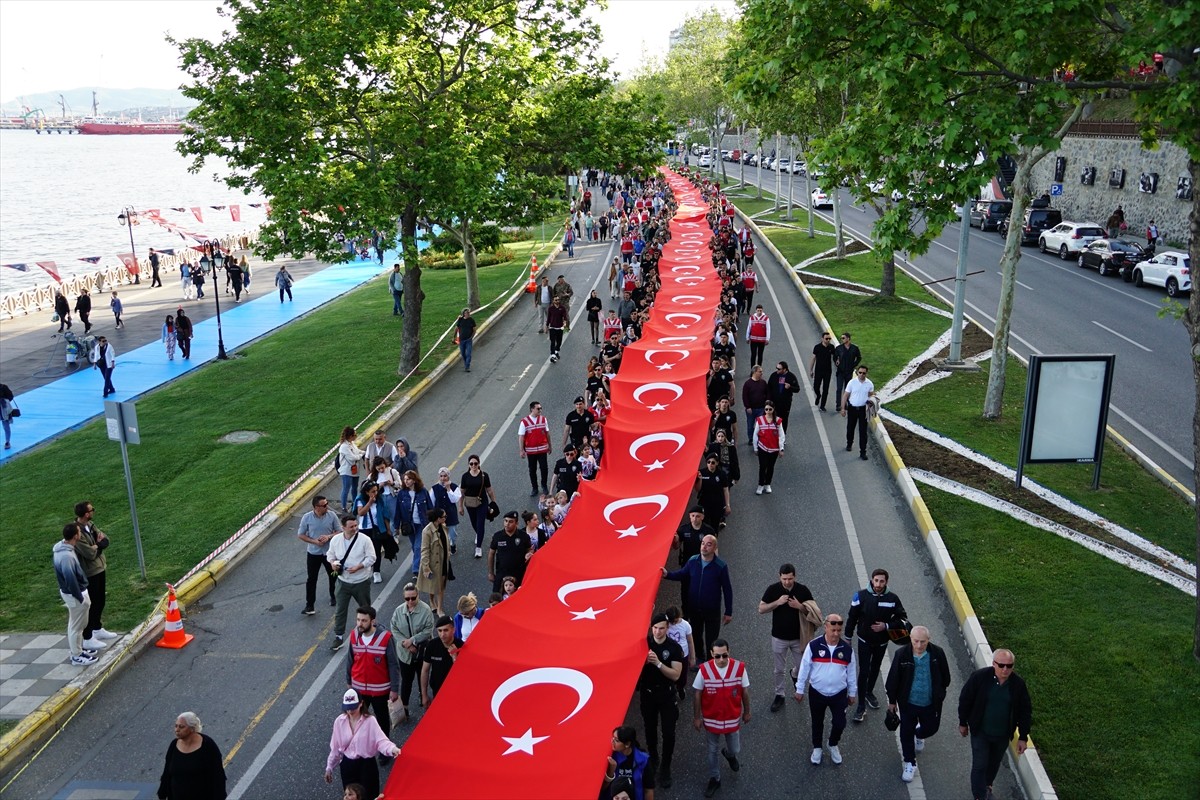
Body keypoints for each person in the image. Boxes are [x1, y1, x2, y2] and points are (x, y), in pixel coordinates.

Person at [958, 649, 1033, 800]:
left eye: (1009, 666)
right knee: (980, 764)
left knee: (993, 764)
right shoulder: (979, 677)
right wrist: (963, 722)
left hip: (1002, 735)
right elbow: (965, 700)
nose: (1005, 669)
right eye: (1001, 665)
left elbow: (1025, 711)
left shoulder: (1018, 685)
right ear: (993, 664)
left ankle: (987, 785)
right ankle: (980, 796)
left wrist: (1023, 737)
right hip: (980, 732)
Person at [886, 625, 952, 783]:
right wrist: (892, 701)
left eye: (923, 641)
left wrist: (940, 693)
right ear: (910, 638)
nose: (919, 645)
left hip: (930, 703)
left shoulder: (937, 653)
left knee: (931, 728)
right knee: (906, 732)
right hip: (908, 703)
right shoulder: (902, 654)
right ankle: (909, 762)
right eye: (916, 641)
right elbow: (893, 679)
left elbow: (946, 677)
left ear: (929, 640)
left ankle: (920, 734)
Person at [846, 567, 907, 722]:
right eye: (876, 580)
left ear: (886, 582)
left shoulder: (893, 599)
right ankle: (861, 707)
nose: (878, 584)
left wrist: (886, 626)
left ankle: (869, 692)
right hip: (864, 641)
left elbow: (902, 618)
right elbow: (852, 617)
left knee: (875, 669)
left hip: (881, 643)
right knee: (864, 671)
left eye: (882, 581)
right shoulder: (860, 596)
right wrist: (847, 637)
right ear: (872, 580)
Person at [795, 613, 857, 766]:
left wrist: (852, 692)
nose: (836, 634)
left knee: (840, 723)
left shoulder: (847, 650)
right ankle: (817, 748)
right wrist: (799, 688)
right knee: (817, 722)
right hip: (817, 693)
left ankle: (832, 743)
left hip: (839, 694)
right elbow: (804, 667)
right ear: (826, 627)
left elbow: (851, 673)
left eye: (839, 631)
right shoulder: (814, 646)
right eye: (833, 630)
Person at [662, 535, 733, 666]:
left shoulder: (721, 566)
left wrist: (728, 611)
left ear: (715, 548)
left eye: (709, 544)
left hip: (712, 610)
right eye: (703, 543)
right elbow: (682, 574)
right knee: (696, 634)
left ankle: (711, 663)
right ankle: (699, 657)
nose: (704, 547)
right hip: (694, 608)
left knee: (711, 638)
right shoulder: (693, 561)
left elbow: (727, 589)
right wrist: (667, 575)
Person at [693, 639, 751, 797]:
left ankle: (729, 754)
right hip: (712, 719)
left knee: (735, 748)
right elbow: (697, 693)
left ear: (729, 652)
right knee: (712, 750)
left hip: (732, 718)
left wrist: (747, 711)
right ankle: (715, 778)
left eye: (724, 655)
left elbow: (744, 691)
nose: (721, 660)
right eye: (717, 656)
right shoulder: (704, 670)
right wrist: (697, 717)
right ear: (711, 654)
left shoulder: (739, 668)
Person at [758, 563, 817, 713]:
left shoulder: (803, 590)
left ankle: (794, 674)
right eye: (784, 579)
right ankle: (780, 694)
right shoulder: (773, 589)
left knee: (803, 666)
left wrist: (800, 606)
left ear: (795, 577)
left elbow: (814, 612)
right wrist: (777, 602)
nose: (787, 582)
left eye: (790, 579)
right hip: (779, 637)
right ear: (779, 577)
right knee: (779, 669)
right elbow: (761, 609)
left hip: (799, 638)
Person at [324, 689, 399, 800]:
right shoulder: (339, 722)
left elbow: (381, 741)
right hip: (348, 766)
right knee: (351, 797)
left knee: (370, 795)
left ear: (361, 704)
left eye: (353, 707)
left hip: (366, 766)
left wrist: (392, 749)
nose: (350, 711)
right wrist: (329, 767)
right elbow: (335, 748)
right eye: (348, 708)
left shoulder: (370, 721)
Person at [638, 613, 684, 789]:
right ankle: (653, 758)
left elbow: (676, 675)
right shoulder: (643, 645)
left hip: (666, 695)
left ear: (667, 628)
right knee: (650, 729)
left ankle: (666, 766)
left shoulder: (673, 647)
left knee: (669, 733)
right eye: (655, 628)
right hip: (648, 694)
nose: (657, 632)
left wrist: (658, 663)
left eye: (661, 628)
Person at [345, 605, 400, 746]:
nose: (360, 624)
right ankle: (361, 746)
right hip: (359, 689)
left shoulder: (385, 638)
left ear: (373, 621)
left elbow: (393, 665)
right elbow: (350, 659)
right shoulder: (354, 635)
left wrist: (394, 689)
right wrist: (349, 682)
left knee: (382, 720)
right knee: (358, 719)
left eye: (364, 621)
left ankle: (384, 747)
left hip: (379, 691)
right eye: (358, 620)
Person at [326, 515, 375, 651]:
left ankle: (369, 632)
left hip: (361, 581)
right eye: (351, 526)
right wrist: (333, 563)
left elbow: (372, 558)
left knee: (365, 610)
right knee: (340, 610)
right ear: (343, 528)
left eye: (356, 525)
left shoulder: (365, 540)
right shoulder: (336, 540)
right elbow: (330, 555)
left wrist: (359, 567)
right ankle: (339, 636)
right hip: (343, 582)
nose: (355, 528)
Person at [389, 582, 435, 724]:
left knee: (423, 676)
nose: (410, 601)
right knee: (406, 681)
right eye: (407, 598)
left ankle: (423, 695)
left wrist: (413, 640)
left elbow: (428, 629)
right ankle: (405, 707)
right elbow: (394, 628)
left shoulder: (425, 610)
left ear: (418, 596)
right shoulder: (398, 611)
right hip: (405, 654)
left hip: (421, 652)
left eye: (413, 598)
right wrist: (406, 643)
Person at [157, 712, 227, 800]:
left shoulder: (207, 746)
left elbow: (218, 776)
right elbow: (167, 772)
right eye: (176, 726)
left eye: (181, 727)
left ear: (192, 729)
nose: (177, 730)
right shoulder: (174, 745)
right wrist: (162, 794)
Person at [74, 501, 114, 650]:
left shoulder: (90, 525)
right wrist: (98, 545)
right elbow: (89, 554)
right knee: (90, 605)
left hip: (100, 568)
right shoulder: (77, 532)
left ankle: (97, 628)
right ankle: (88, 637)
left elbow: (105, 540)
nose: (93, 512)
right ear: (86, 514)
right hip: (90, 572)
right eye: (92, 510)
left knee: (100, 601)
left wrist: (97, 545)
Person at [54, 524, 95, 666]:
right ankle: (76, 655)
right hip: (75, 595)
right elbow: (70, 579)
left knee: (78, 624)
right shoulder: (66, 557)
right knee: (76, 626)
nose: (80, 533)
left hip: (74, 593)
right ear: (75, 536)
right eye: (79, 532)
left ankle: (78, 649)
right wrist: (81, 598)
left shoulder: (63, 549)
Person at [298, 495, 341, 615]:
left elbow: (339, 531)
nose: (327, 507)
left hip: (329, 553)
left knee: (333, 575)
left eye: (327, 504)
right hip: (313, 553)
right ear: (316, 507)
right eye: (324, 505)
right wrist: (315, 542)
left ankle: (333, 596)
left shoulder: (332, 515)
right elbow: (301, 534)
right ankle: (310, 605)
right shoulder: (307, 518)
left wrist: (328, 537)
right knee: (311, 579)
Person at [395, 470, 434, 579]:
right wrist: (396, 527)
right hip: (409, 525)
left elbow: (430, 507)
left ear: (414, 480)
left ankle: (416, 570)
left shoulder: (423, 491)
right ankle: (423, 562)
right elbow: (398, 511)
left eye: (408, 479)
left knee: (418, 547)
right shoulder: (402, 494)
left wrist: (433, 522)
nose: (406, 481)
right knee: (414, 546)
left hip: (422, 524)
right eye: (405, 479)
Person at [458, 455, 496, 559]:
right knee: (474, 522)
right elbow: (462, 493)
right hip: (470, 503)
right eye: (471, 464)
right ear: (468, 465)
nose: (473, 465)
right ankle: (479, 534)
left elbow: (489, 490)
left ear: (479, 464)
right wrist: (460, 506)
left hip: (482, 502)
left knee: (480, 523)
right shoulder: (465, 476)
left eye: (475, 463)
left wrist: (493, 502)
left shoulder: (484, 475)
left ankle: (478, 548)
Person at [419, 615, 463, 706]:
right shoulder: (432, 645)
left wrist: (455, 657)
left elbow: (464, 675)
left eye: (446, 630)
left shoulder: (461, 646)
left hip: (457, 692)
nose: (442, 635)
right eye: (439, 631)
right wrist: (424, 695)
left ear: (453, 630)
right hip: (437, 691)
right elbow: (425, 670)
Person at [603, 726, 655, 800]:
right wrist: (610, 772)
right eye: (613, 738)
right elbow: (602, 789)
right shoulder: (609, 757)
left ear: (627, 744)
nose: (612, 741)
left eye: (616, 740)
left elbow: (648, 789)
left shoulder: (643, 760)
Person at [487, 511, 532, 593]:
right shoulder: (497, 536)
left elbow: (529, 549)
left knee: (520, 595)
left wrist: (528, 554)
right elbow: (491, 553)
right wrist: (491, 573)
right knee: (497, 596)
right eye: (505, 521)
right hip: (502, 573)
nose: (507, 524)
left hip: (519, 573)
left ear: (516, 523)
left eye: (510, 522)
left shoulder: (524, 536)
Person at [417, 508, 452, 613]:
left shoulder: (443, 527)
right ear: (438, 518)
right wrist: (426, 567)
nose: (446, 518)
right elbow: (424, 550)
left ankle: (439, 608)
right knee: (433, 585)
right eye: (444, 516)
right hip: (433, 563)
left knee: (441, 586)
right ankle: (432, 601)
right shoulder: (427, 531)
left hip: (443, 561)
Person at [841, 364, 875, 461]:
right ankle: (849, 443)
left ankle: (863, 452)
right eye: (860, 372)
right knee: (850, 428)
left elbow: (871, 397)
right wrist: (843, 408)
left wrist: (871, 409)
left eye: (864, 373)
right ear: (857, 373)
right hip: (852, 409)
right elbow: (845, 395)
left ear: (866, 373)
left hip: (863, 410)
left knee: (863, 432)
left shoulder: (869, 384)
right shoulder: (852, 382)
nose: (861, 374)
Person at [518, 401, 551, 497]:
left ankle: (544, 485)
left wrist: (550, 445)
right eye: (538, 408)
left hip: (542, 449)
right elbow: (521, 436)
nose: (540, 410)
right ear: (532, 409)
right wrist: (521, 450)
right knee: (532, 470)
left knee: (544, 468)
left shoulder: (543, 419)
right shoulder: (524, 422)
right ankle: (534, 487)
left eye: (540, 408)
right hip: (531, 451)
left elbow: (547, 433)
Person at [752, 402, 785, 495]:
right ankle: (760, 484)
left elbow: (781, 435)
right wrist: (755, 448)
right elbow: (755, 434)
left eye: (770, 409)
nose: (768, 411)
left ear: (773, 409)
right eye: (766, 409)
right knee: (762, 466)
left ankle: (767, 484)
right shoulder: (760, 420)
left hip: (774, 449)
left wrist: (781, 448)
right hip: (763, 447)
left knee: (770, 467)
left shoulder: (778, 421)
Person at [695, 454, 732, 530]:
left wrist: (727, 505)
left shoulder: (721, 474)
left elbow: (725, 490)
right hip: (705, 503)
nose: (710, 464)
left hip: (717, 504)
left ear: (717, 463)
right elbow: (697, 489)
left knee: (715, 525)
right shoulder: (702, 473)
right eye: (708, 462)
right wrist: (700, 479)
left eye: (713, 462)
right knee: (705, 525)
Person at [430, 467, 462, 554]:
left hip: (450, 514)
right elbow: (431, 502)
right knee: (440, 533)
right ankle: (444, 548)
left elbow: (454, 499)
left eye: (445, 476)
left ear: (448, 476)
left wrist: (448, 489)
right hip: (439, 516)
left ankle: (452, 544)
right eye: (441, 476)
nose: (443, 478)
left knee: (452, 533)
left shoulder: (454, 487)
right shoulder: (434, 488)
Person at [336, 427, 365, 512]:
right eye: (354, 435)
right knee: (346, 488)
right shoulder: (344, 447)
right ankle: (344, 507)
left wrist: (363, 452)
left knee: (355, 488)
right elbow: (352, 458)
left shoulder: (352, 444)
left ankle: (354, 503)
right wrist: (361, 455)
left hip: (355, 470)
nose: (356, 436)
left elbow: (357, 451)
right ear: (350, 436)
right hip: (346, 471)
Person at [767, 361, 800, 431]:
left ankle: (783, 434)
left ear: (785, 369)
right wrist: (769, 399)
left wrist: (790, 387)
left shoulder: (791, 376)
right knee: (774, 418)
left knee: (784, 419)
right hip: (774, 403)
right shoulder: (774, 375)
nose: (777, 370)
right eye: (776, 368)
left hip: (785, 404)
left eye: (779, 369)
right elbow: (769, 388)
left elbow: (797, 389)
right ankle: (774, 433)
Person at [833, 333, 862, 413]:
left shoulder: (854, 348)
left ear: (848, 338)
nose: (842, 339)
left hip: (849, 372)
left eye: (843, 338)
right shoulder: (839, 348)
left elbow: (859, 357)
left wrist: (854, 365)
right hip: (840, 372)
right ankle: (838, 405)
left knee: (847, 389)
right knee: (839, 389)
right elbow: (835, 357)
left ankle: (846, 404)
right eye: (841, 338)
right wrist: (836, 362)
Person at [741, 365, 768, 447]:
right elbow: (745, 396)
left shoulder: (763, 383)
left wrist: (766, 405)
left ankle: (760, 438)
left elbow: (767, 394)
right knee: (750, 425)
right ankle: (751, 439)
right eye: (760, 371)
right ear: (754, 372)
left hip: (761, 408)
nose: (761, 373)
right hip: (751, 409)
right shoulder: (747, 384)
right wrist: (747, 407)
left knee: (761, 425)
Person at [808, 331, 836, 412]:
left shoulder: (831, 347)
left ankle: (822, 405)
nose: (828, 340)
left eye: (829, 339)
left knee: (826, 389)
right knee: (816, 386)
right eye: (826, 339)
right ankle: (818, 395)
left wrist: (837, 360)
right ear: (822, 339)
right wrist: (811, 370)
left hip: (828, 371)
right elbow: (813, 358)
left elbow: (835, 356)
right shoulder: (817, 347)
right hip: (818, 371)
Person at [746, 305, 771, 369]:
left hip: (762, 340)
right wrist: (747, 337)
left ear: (762, 310)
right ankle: (752, 369)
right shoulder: (752, 318)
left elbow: (768, 329)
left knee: (760, 355)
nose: (759, 312)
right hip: (753, 339)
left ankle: (759, 368)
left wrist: (767, 339)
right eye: (758, 310)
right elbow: (749, 327)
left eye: (760, 310)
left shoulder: (766, 318)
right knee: (753, 354)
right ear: (756, 310)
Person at [546, 296, 567, 362]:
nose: (557, 301)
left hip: (559, 327)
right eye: (556, 300)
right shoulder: (551, 308)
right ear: (553, 301)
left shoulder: (562, 308)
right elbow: (548, 318)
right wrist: (547, 326)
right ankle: (553, 355)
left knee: (559, 342)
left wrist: (565, 323)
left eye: (558, 299)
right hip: (552, 327)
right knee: (552, 341)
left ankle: (556, 351)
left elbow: (565, 317)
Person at [456, 307, 476, 372]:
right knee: (463, 353)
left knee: (468, 354)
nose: (468, 314)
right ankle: (466, 363)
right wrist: (454, 337)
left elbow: (474, 329)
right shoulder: (460, 319)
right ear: (464, 314)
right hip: (461, 340)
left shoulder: (471, 320)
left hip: (468, 340)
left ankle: (467, 366)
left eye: (469, 312)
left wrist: (471, 337)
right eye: (467, 313)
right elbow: (456, 328)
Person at [0, 382, 14, 449]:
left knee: (6, 426)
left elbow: (10, 396)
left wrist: (4, 401)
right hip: (3, 409)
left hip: (3, 409)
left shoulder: (3, 387)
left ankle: (7, 442)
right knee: (6, 426)